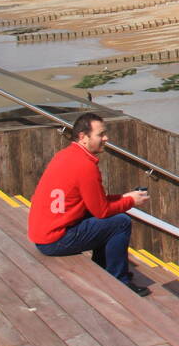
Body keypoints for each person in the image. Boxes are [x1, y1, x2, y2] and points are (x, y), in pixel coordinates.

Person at [28, 112, 151, 296]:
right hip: (55, 240)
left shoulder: (65, 155)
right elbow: (101, 211)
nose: (106, 138)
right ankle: (119, 281)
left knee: (109, 219)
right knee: (121, 222)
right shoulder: (85, 166)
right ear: (83, 137)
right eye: (100, 134)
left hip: (44, 233)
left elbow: (95, 203)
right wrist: (130, 202)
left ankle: (105, 269)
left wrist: (123, 197)